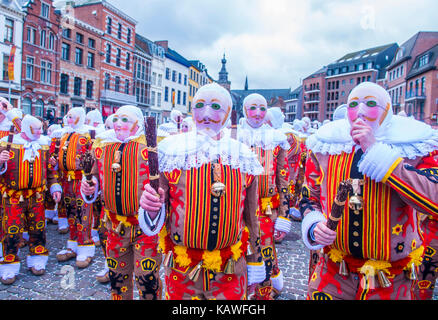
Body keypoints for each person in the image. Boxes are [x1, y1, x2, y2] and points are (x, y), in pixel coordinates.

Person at [301, 82, 438, 300]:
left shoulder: (416, 148)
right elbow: (310, 195)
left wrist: (377, 152)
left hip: (392, 279)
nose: (361, 112)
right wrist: (314, 224)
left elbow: (434, 199)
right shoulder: (327, 147)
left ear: (387, 109)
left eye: (371, 104)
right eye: (353, 104)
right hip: (334, 271)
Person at [140, 83, 265, 300]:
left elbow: (252, 217)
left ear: (227, 113)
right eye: (199, 105)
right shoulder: (172, 154)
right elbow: (159, 212)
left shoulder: (243, 157)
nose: (206, 114)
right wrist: (151, 207)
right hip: (182, 269)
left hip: (231, 269)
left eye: (216, 106)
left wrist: (255, 260)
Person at [81, 105, 163, 300]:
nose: (118, 124)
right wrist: (88, 188)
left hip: (145, 227)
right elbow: (93, 178)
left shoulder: (153, 146)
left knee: (147, 279)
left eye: (125, 120)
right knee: (117, 277)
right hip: (114, 225)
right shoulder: (102, 146)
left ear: (138, 123)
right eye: (116, 119)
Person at [238, 95, 291, 300]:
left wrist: (284, 215)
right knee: (242, 249)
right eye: (253, 108)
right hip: (239, 207)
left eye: (262, 108)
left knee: (266, 249)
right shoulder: (234, 137)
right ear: (244, 110)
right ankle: (241, 292)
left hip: (267, 208)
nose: (258, 113)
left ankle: (264, 294)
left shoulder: (277, 139)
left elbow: (283, 179)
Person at [0, 115, 61, 284]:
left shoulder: (43, 145)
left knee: (38, 229)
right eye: (36, 129)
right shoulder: (7, 142)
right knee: (11, 230)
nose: (40, 132)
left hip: (37, 196)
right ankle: (9, 263)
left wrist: (55, 186)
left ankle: (38, 258)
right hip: (13, 196)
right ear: (26, 129)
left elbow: (50, 170)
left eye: (41, 128)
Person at [54, 107, 96, 269]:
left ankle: (85, 246)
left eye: (72, 117)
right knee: (70, 211)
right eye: (68, 116)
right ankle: (72, 243)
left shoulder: (87, 136)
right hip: (67, 180)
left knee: (83, 212)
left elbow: (92, 158)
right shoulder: (64, 135)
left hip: (81, 180)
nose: (68, 119)